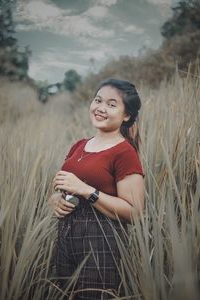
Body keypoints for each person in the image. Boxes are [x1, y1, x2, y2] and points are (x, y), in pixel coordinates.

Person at [49, 78, 145, 299]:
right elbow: (63, 189)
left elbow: (135, 211)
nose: (101, 108)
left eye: (112, 104)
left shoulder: (124, 152)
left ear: (126, 115)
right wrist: (56, 199)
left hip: (101, 239)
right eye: (98, 100)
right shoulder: (79, 145)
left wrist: (86, 190)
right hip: (65, 235)